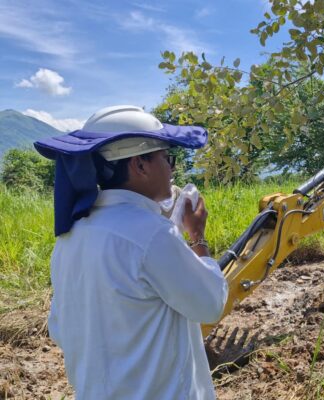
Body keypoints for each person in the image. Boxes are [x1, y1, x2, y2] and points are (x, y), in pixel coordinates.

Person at [34, 105, 228, 399]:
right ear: (140, 165)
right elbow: (211, 305)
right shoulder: (152, 235)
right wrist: (198, 236)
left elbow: (60, 329)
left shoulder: (71, 236)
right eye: (168, 158)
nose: (172, 169)